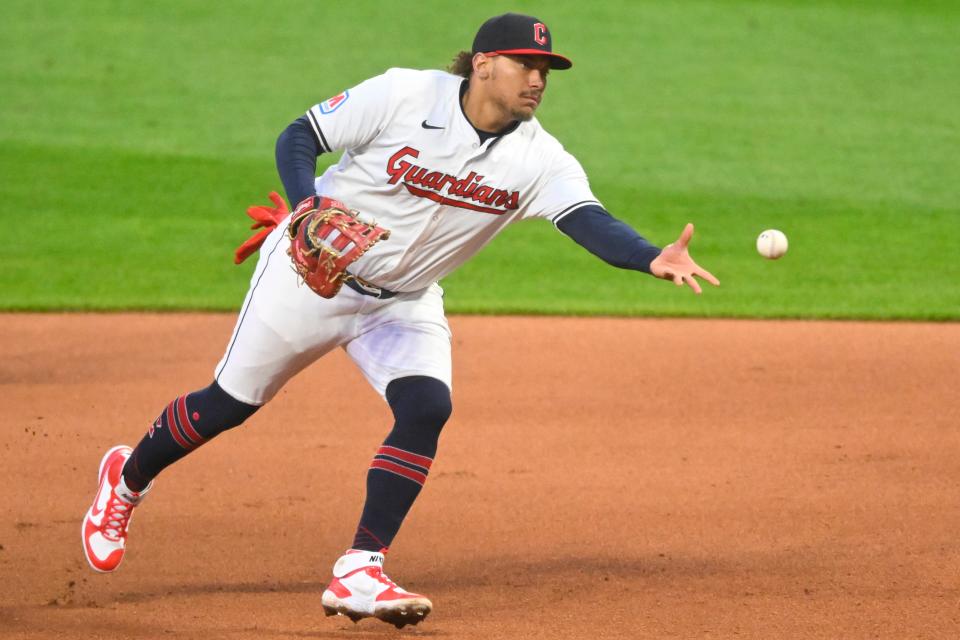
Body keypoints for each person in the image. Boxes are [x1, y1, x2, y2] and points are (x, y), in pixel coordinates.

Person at [81, 12, 719, 629]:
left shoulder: (540, 158)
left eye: (546, 69)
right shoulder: (402, 93)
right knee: (229, 402)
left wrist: (649, 257)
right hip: (310, 272)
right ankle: (127, 478)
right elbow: (299, 136)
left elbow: (588, 220)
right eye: (527, 64)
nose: (538, 79)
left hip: (404, 299)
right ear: (485, 64)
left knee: (426, 408)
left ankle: (360, 567)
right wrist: (306, 207)